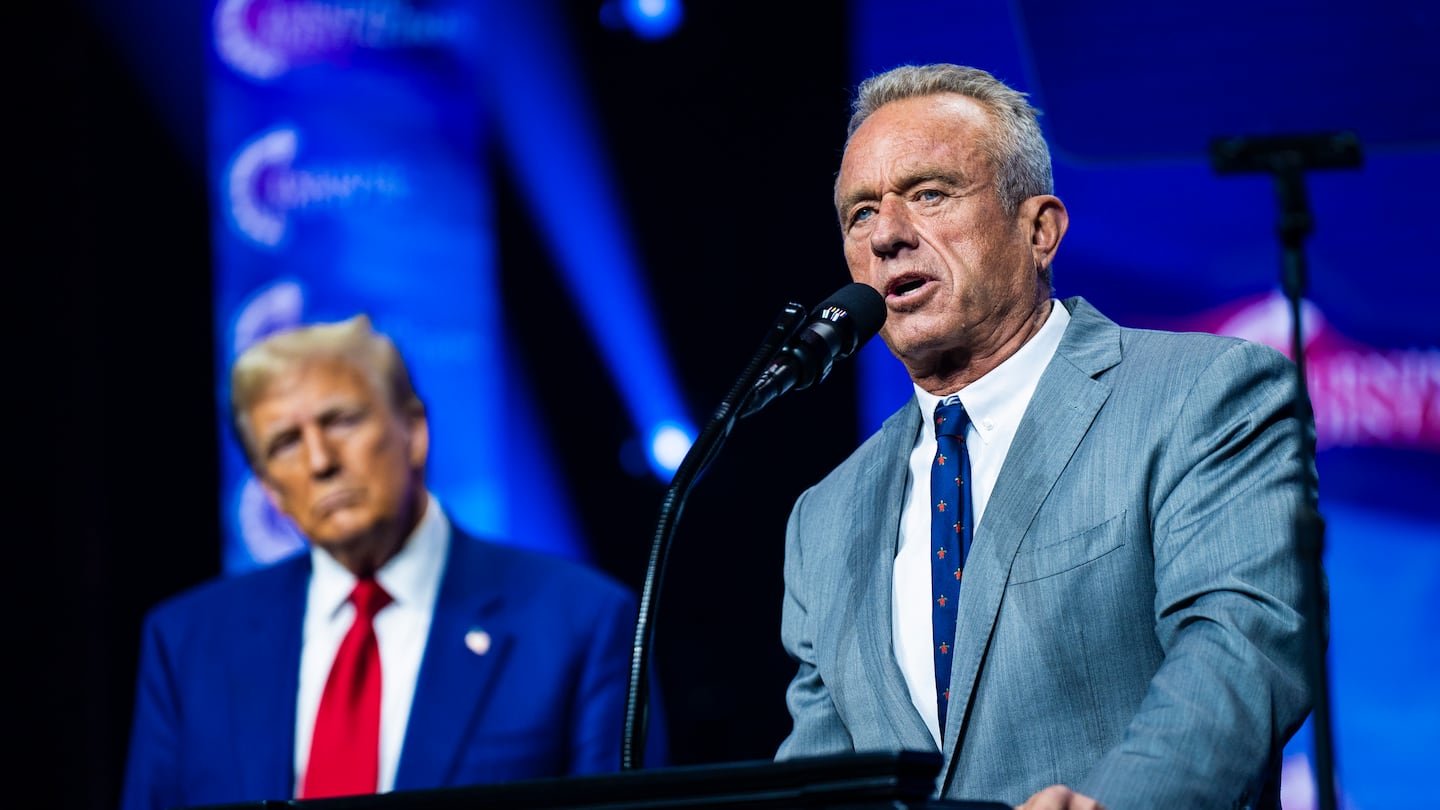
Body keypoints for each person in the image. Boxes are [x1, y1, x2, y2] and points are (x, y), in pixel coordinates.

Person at [774, 63, 1314, 810]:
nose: (889, 235)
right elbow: (820, 782)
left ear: (1039, 230)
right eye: (860, 213)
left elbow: (1243, 646)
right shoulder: (823, 518)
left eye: (930, 193)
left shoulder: (1202, 391)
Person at [121, 314, 663, 810]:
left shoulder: (579, 622)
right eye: (285, 443)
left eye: (341, 421)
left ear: (415, 432)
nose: (320, 461)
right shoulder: (189, 642)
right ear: (269, 489)